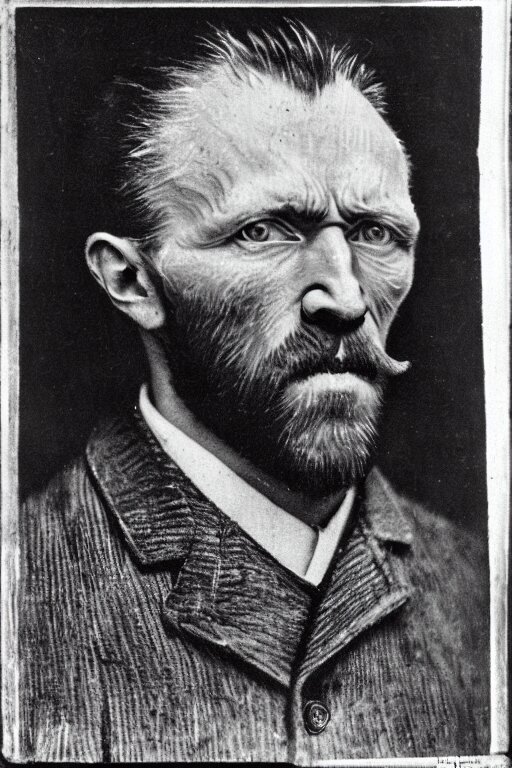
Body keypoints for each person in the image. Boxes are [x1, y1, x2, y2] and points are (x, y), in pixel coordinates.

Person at [19, 21, 489, 762]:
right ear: (132, 279)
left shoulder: (477, 588)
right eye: (264, 231)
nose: (346, 298)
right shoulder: (24, 592)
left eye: (376, 233)